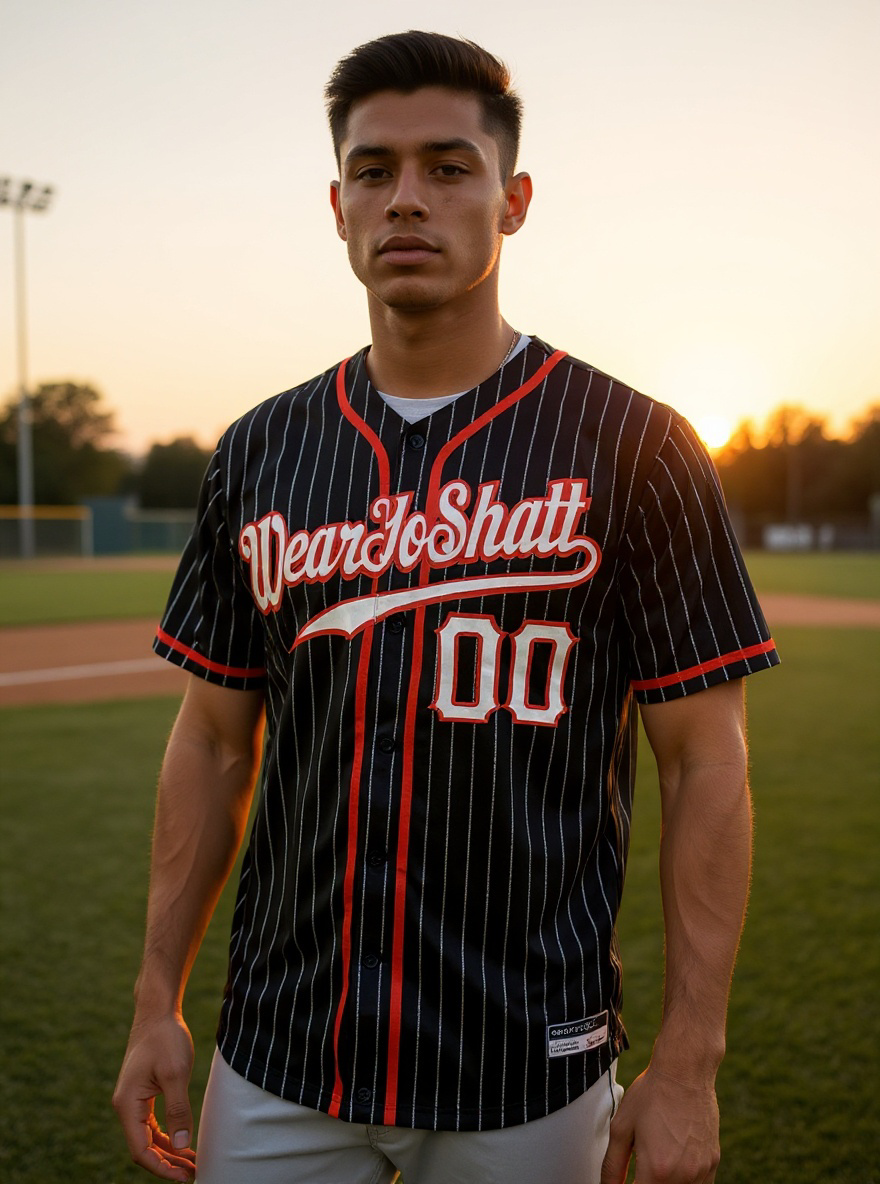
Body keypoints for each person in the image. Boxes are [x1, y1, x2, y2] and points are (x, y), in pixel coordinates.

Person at [113, 30, 779, 1184]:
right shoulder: (261, 448)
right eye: (373, 171)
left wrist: (689, 1060)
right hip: (281, 1048)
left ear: (513, 200)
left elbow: (706, 761)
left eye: (448, 166)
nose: (406, 198)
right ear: (337, 208)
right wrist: (154, 998)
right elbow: (214, 742)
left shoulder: (636, 442)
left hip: (527, 1057)